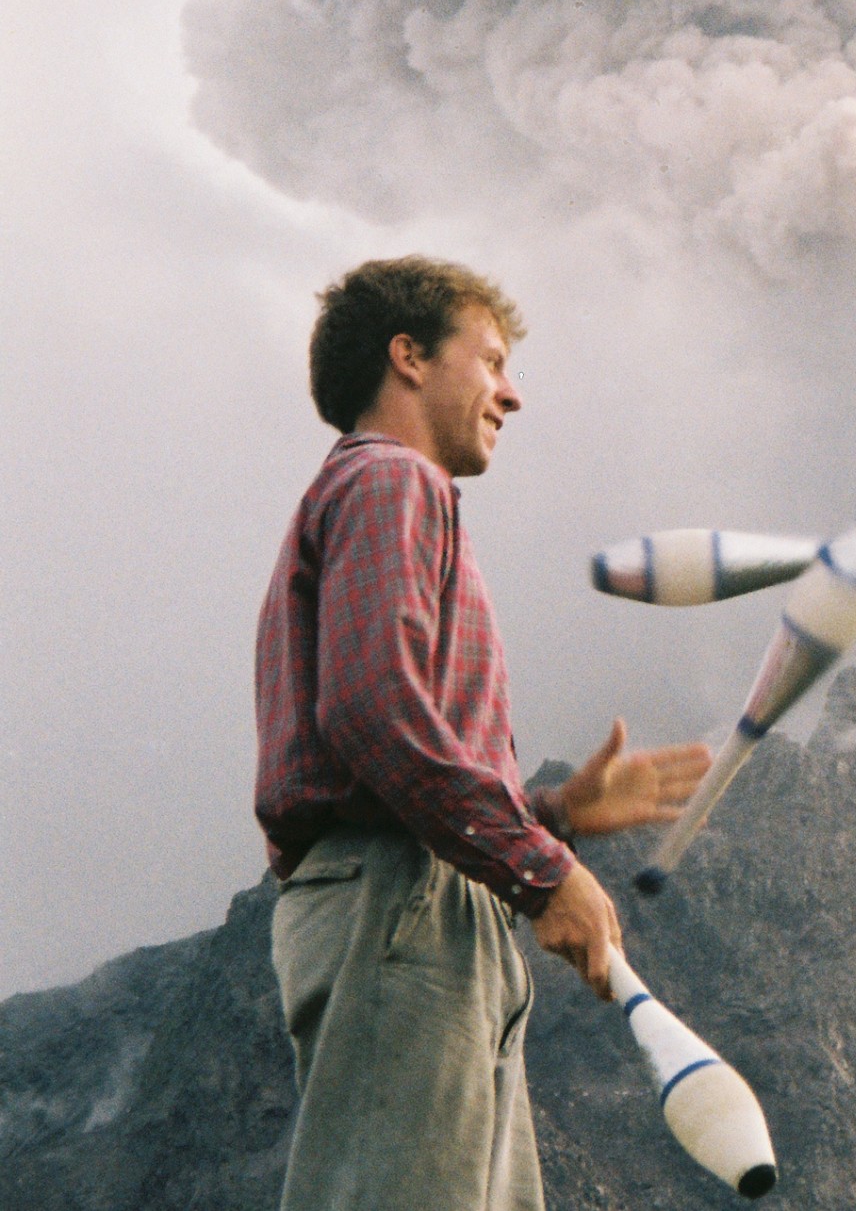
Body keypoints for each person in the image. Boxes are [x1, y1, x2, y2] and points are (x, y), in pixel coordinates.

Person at [254, 256, 712, 1211]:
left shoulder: (379, 495)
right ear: (409, 357)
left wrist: (549, 814)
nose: (512, 392)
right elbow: (373, 710)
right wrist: (541, 867)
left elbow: (377, 735)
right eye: (491, 359)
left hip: (418, 899)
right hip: (403, 903)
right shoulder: (392, 483)